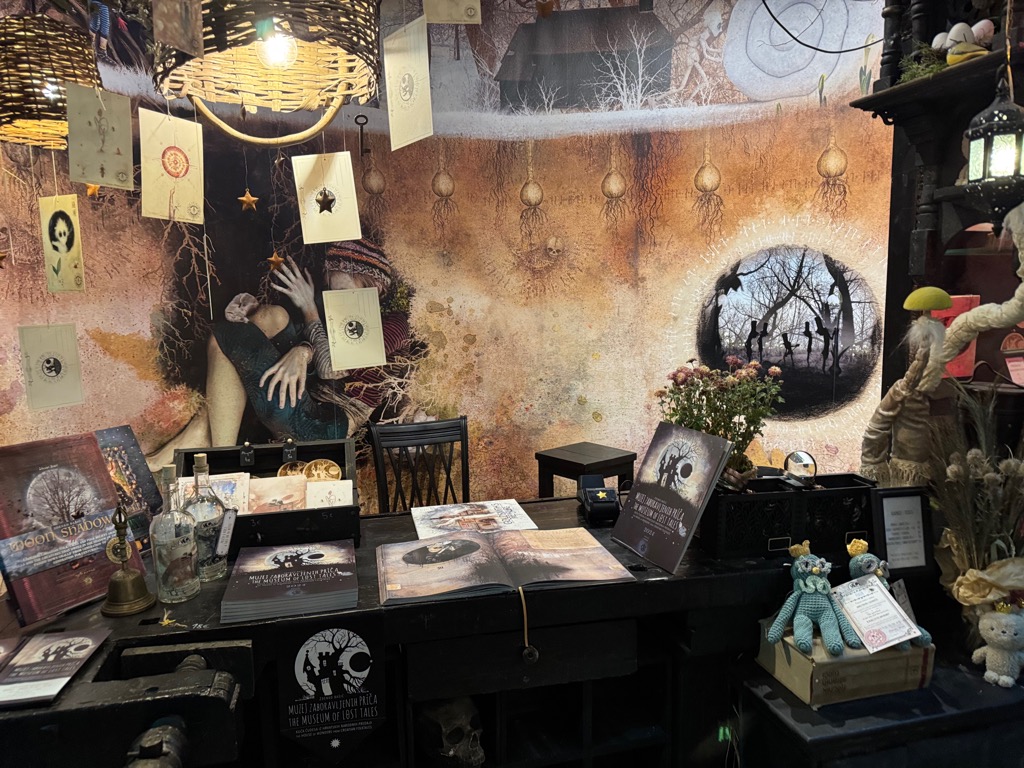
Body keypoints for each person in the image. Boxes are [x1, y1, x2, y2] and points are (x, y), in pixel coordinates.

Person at [205, 238, 416, 446]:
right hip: (308, 398)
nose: (337, 301)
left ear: (376, 287)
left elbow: (330, 369)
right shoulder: (343, 316)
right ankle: (206, 431)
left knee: (225, 335)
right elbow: (307, 340)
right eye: (332, 292)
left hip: (325, 425)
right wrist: (254, 313)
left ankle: (223, 453)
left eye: (344, 293)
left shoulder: (394, 325)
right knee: (273, 316)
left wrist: (308, 308)